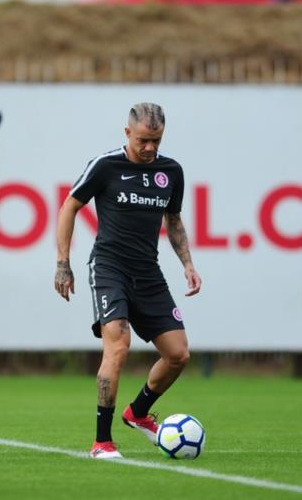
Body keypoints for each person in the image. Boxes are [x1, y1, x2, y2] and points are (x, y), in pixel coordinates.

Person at [55, 102, 202, 459]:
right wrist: (63, 263)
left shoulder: (171, 171)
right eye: (143, 140)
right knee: (118, 345)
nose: (150, 148)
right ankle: (101, 442)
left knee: (178, 354)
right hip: (108, 269)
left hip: (148, 273)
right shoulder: (106, 166)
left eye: (156, 140)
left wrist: (187, 264)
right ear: (127, 134)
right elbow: (69, 206)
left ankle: (137, 413)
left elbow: (174, 220)